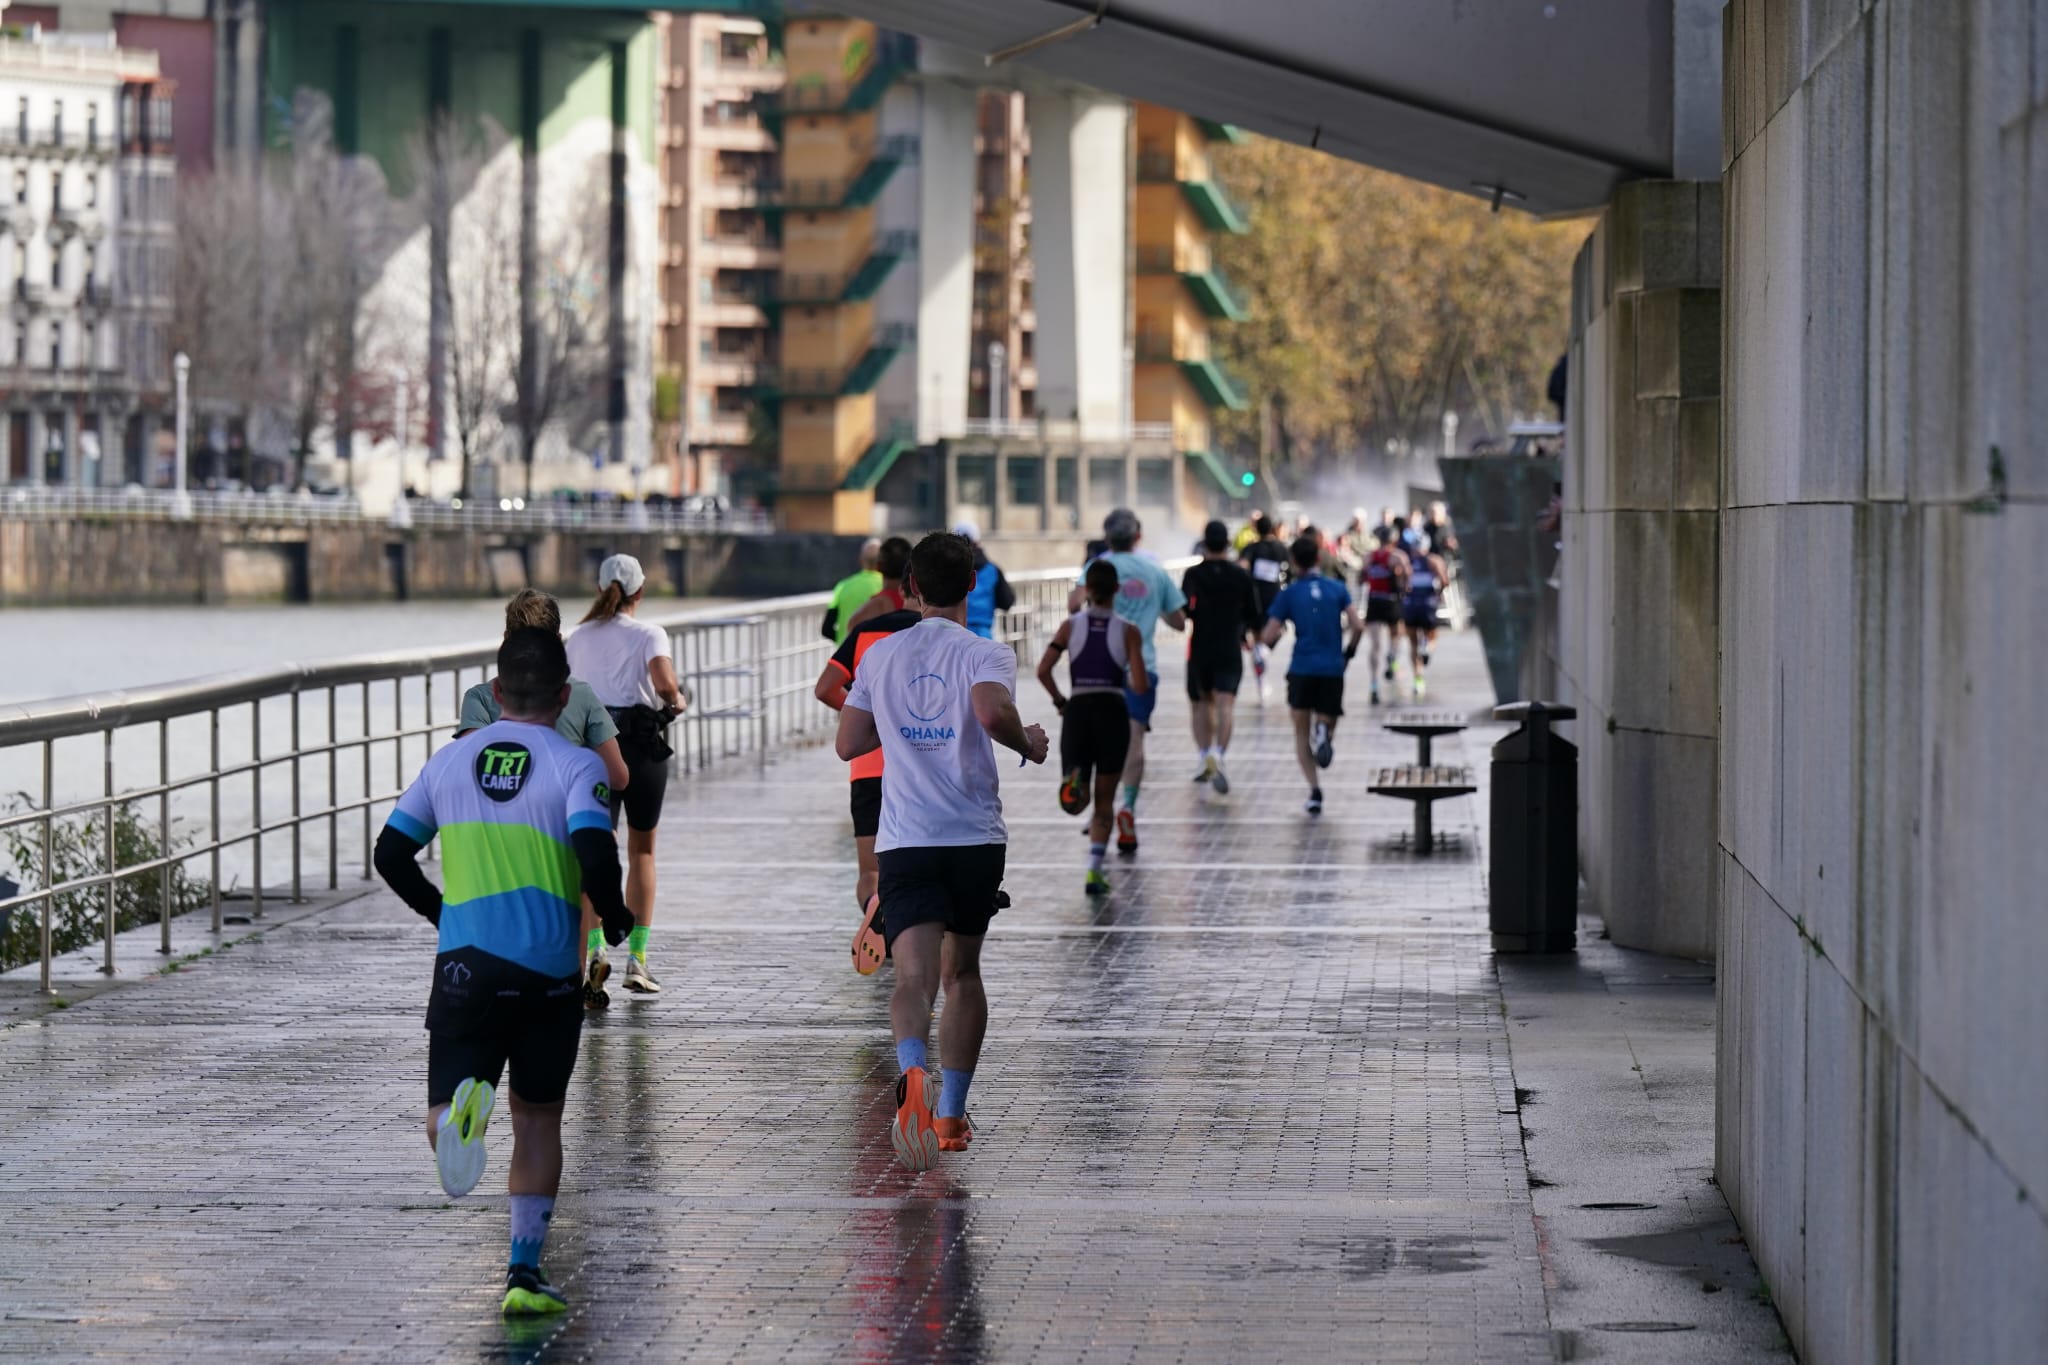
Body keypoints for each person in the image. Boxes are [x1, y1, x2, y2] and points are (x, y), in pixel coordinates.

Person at [374, 627, 636, 1316]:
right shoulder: (577, 765)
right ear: (563, 694)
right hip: (549, 973)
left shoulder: (449, 762)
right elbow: (594, 850)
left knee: (448, 1103)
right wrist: (614, 915)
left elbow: (391, 854)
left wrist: (443, 915)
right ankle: (523, 1271)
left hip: (466, 967)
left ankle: (452, 1120)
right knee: (539, 1119)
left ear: (494, 693)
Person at [834, 532, 1049, 1170]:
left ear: (911, 588)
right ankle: (951, 1115)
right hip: (973, 838)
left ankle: (912, 1070)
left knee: (913, 980)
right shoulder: (987, 652)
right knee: (964, 976)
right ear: (973, 585)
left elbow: (849, 743)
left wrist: (891, 720)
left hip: (906, 839)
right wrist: (1026, 743)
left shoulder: (880, 655)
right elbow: (988, 710)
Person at [457, 590, 632, 1010]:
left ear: (506, 640)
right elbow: (620, 775)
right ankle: (574, 981)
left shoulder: (481, 699)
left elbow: (466, 768)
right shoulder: (580, 695)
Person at [565, 554, 685, 997]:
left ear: (599, 590)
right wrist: (677, 701)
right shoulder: (650, 633)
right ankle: (638, 958)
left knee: (593, 852)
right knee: (643, 851)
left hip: (591, 747)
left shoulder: (575, 637)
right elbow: (665, 684)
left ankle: (595, 952)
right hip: (640, 746)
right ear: (640, 593)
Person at [814, 573, 923, 972]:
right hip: (917, 765)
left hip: (866, 766)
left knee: (870, 871)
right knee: (916, 861)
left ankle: (875, 905)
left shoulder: (865, 633)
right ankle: (908, 929)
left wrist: (866, 721)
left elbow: (825, 687)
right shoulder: (933, 635)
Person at [1069, 508, 1185, 855]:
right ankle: (1127, 810)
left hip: (1098, 667)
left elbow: (1073, 607)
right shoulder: (1154, 570)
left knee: (1094, 740)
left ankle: (1098, 810)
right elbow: (1179, 621)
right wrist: (1154, 607)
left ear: (1107, 537)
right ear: (1138, 536)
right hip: (1141, 668)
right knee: (1133, 742)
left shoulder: (1096, 568)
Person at [1037, 558, 1147, 896]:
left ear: (1088, 590)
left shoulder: (1070, 627)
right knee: (1106, 800)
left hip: (1079, 711)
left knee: (1079, 798)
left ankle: (1075, 783)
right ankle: (1093, 871)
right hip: (1112, 711)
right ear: (1117, 590)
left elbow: (1043, 670)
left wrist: (1060, 702)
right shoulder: (1128, 630)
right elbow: (1140, 686)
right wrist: (1122, 675)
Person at [1260, 535, 1363, 817]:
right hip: (1332, 668)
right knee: (1327, 718)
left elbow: (1269, 635)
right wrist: (1348, 655)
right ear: (1318, 559)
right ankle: (1324, 732)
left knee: (1299, 732)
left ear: (1294, 562)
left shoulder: (1289, 594)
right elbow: (1358, 625)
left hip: (1302, 669)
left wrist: (1268, 641)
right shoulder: (1337, 588)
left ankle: (1315, 791)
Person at [1179, 520, 1261, 793]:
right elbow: (1254, 614)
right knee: (1226, 704)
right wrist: (1245, 634)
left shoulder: (1193, 575)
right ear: (1227, 544)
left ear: (1204, 543)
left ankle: (1204, 756)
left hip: (1201, 646)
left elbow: (1184, 608)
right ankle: (1220, 755)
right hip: (1229, 647)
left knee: (1201, 704)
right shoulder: (1240, 576)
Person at [1237, 513, 1288, 705]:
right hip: (1275, 599)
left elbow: (1241, 567)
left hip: (1254, 599)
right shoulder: (1281, 549)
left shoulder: (1251, 549)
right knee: (1278, 632)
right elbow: (1289, 571)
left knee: (1258, 639)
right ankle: (1264, 655)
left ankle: (1261, 684)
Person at [1359, 525, 1411, 706]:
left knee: (1374, 645)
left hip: (1374, 601)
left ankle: (1373, 684)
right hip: (1391, 601)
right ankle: (1392, 656)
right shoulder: (1398, 556)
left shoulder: (1369, 557)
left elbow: (1360, 578)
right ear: (1394, 539)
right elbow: (1407, 580)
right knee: (1396, 635)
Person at [1402, 537, 1452, 699]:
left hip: (1410, 605)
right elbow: (1445, 581)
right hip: (1427, 604)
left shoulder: (1407, 561)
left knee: (1412, 644)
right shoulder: (1434, 560)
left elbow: (1402, 583)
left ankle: (1418, 680)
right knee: (1431, 636)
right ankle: (1427, 648)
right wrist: (1438, 594)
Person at [950, 520, 1016, 640]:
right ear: (977, 541)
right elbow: (1007, 602)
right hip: (983, 636)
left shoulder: (948, 570)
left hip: (954, 635)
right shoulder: (992, 570)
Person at [844, 536, 913, 635]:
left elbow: (852, 628)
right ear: (911, 567)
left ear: (878, 567)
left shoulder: (874, 608)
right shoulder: (922, 604)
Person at [822, 538, 884, 644]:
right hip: (876, 654)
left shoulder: (843, 586)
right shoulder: (887, 586)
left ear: (860, 560)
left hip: (846, 654)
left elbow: (826, 629)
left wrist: (843, 641)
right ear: (883, 561)